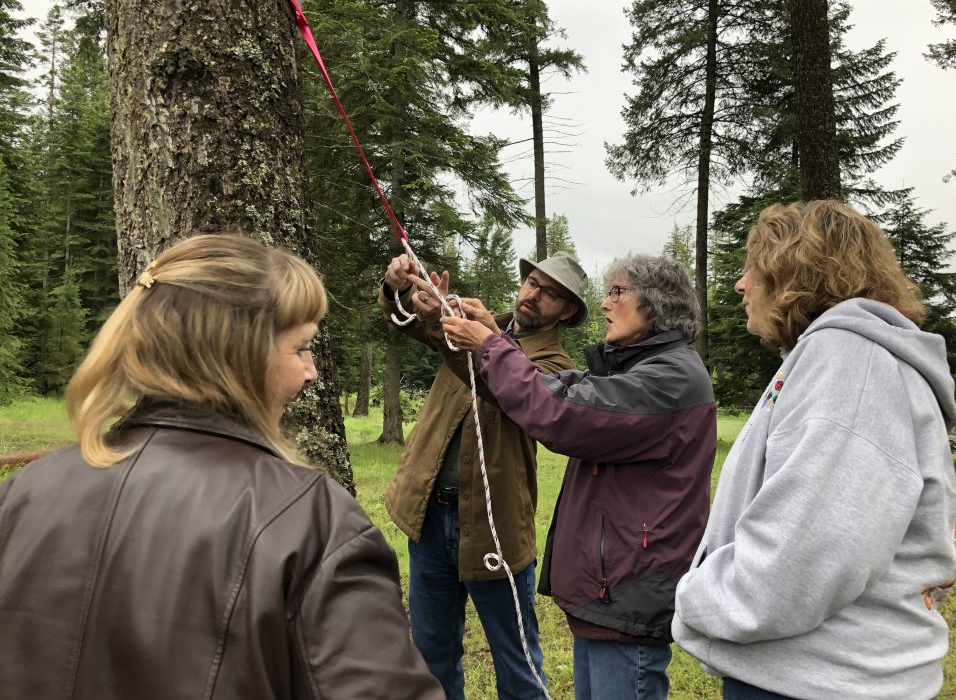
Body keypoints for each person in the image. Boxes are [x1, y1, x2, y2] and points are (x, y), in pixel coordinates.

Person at [0, 234, 444, 700]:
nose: (311, 373)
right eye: (300, 349)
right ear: (239, 357)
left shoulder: (23, 491)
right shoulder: (311, 520)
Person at [671, 200, 956, 700]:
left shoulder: (852, 363)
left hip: (821, 681)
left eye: (752, 267)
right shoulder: (838, 358)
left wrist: (692, 594)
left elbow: (806, 557)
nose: (740, 285)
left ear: (793, 271)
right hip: (819, 672)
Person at [435, 254, 717, 700]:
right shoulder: (638, 370)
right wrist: (489, 335)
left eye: (617, 292)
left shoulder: (668, 378)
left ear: (656, 305)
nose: (605, 304)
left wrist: (491, 345)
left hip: (629, 592)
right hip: (611, 592)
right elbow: (558, 389)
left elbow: (561, 414)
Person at [378, 250, 588, 700]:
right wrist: (402, 289)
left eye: (549, 293)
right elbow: (412, 323)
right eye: (532, 282)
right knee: (431, 654)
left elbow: (501, 383)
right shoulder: (480, 323)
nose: (533, 294)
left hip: (496, 532)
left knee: (517, 665)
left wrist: (477, 338)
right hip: (430, 518)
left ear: (567, 311)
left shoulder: (557, 368)